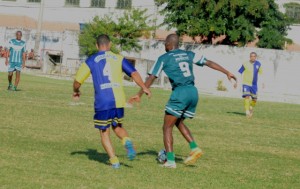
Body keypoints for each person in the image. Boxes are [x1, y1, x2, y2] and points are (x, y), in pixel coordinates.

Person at [129, 34, 237, 168]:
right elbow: (208, 62)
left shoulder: (164, 58)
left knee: (166, 127)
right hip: (193, 92)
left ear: (169, 44)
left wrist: (140, 92)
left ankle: (170, 161)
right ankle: (194, 148)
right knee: (177, 121)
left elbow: (152, 77)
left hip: (180, 92)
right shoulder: (188, 54)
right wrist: (227, 72)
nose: (164, 46)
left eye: (165, 43)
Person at [72, 34, 151, 169]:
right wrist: (144, 87)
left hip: (102, 101)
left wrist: (76, 91)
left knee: (104, 132)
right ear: (109, 45)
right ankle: (126, 141)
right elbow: (134, 73)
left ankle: (114, 161)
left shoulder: (91, 60)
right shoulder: (119, 58)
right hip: (118, 100)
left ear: (97, 46)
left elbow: (77, 81)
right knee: (117, 127)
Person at [238, 52, 263, 118]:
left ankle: (251, 107)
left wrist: (263, 83)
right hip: (246, 83)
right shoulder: (245, 64)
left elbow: (261, 74)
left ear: (256, 57)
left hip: (254, 85)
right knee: (247, 96)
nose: (253, 57)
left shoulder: (258, 64)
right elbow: (240, 72)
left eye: (254, 56)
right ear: (249, 57)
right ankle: (247, 112)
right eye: (251, 56)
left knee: (254, 99)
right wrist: (237, 81)